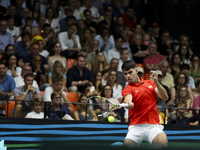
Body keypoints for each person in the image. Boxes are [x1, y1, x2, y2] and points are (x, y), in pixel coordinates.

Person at [122, 60, 168, 147]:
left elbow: (165, 97)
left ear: (136, 71)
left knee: (162, 142)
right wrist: (129, 103)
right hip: (136, 127)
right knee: (127, 146)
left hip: (153, 126)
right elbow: (128, 98)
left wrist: (157, 83)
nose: (128, 76)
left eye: (130, 72)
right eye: (125, 74)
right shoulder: (127, 89)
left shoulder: (150, 83)